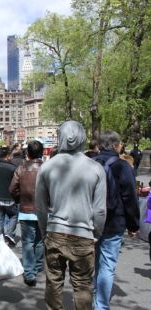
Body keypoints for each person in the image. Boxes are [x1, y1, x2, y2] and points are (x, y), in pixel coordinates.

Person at [35, 120, 107, 310]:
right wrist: (96, 234)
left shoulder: (47, 167)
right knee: (83, 285)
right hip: (83, 233)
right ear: (83, 138)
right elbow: (100, 210)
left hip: (55, 232)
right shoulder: (95, 168)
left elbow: (41, 207)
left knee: (54, 282)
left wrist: (44, 233)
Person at [93, 131, 140, 310]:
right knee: (107, 265)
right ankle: (101, 305)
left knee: (96, 263)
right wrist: (133, 225)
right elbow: (130, 197)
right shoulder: (122, 166)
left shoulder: (91, 163)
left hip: (92, 221)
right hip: (115, 221)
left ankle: (95, 299)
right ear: (115, 145)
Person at [9, 140, 44, 287]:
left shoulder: (21, 169)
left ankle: (29, 273)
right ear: (41, 153)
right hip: (44, 211)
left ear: (27, 153)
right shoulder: (46, 168)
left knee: (28, 242)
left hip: (26, 210)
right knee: (40, 241)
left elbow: (12, 189)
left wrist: (20, 199)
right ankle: (36, 266)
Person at [0, 146, 18, 246]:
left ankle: (1, 237)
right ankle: (9, 233)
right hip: (9, 197)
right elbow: (15, 184)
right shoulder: (12, 168)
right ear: (7, 156)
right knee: (14, 215)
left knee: (0, 218)